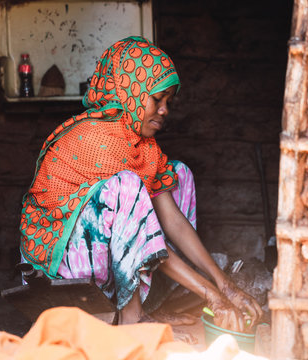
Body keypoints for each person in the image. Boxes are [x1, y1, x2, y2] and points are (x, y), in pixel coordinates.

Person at [19, 36, 262, 334]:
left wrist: (226, 287)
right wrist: (212, 295)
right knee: (128, 185)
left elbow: (171, 221)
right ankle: (133, 317)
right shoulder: (98, 138)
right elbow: (149, 236)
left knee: (179, 175)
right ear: (130, 91)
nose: (164, 110)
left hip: (104, 259)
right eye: (156, 99)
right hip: (60, 266)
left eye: (169, 102)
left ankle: (148, 307)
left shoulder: (144, 147)